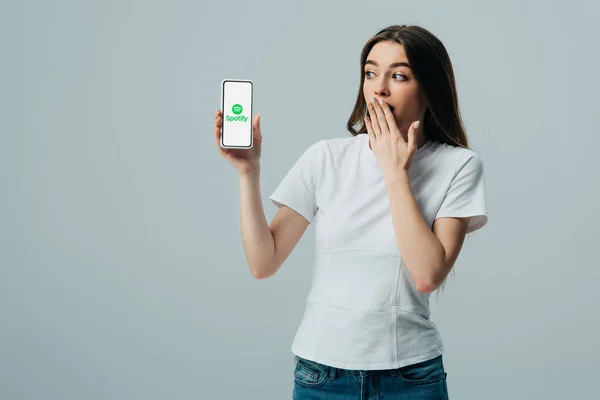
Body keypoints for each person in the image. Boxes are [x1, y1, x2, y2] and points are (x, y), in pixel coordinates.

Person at [214, 24, 487, 400]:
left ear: (428, 89)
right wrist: (249, 172)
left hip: (410, 378)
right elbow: (264, 262)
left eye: (399, 76)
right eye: (371, 73)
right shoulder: (326, 157)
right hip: (321, 376)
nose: (380, 87)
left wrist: (395, 172)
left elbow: (427, 274)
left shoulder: (459, 166)